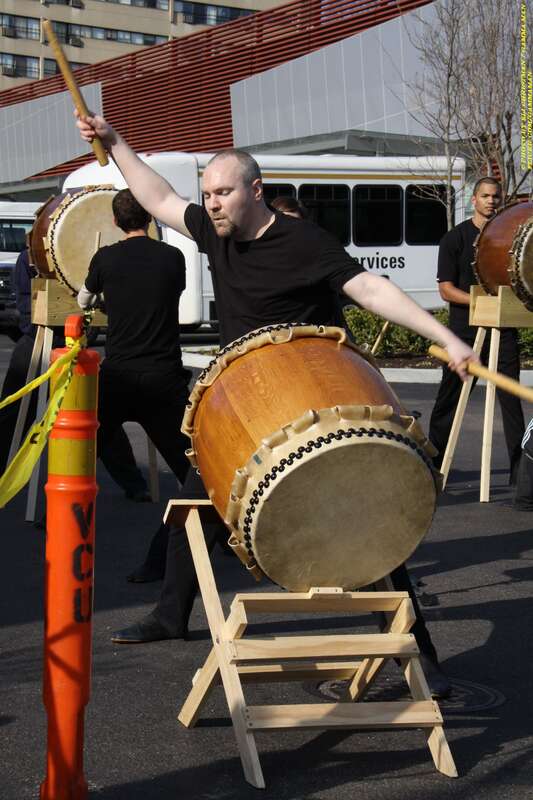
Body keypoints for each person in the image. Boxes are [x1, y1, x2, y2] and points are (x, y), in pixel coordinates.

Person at [75, 112, 477, 697]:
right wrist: (116, 143)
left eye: (224, 193)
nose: (211, 204)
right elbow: (156, 195)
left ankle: (419, 656)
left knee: (363, 525)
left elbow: (367, 287)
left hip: (307, 402)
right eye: (207, 194)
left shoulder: (303, 241)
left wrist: (445, 336)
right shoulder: (216, 233)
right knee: (195, 503)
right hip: (240, 406)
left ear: (254, 190)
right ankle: (170, 615)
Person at [0, 248, 148, 504]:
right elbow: (27, 310)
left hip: (73, 341)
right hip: (38, 340)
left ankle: (133, 482)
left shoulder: (80, 253)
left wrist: (84, 328)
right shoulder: (31, 257)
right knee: (12, 415)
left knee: (99, 415)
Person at [77, 189, 192, 514]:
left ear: (115, 221)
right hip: (164, 377)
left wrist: (105, 298)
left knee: (86, 451)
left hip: (119, 376)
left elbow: (83, 300)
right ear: (150, 216)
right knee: (189, 461)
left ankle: (61, 512)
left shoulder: (106, 257)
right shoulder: (173, 257)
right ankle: (218, 528)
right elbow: (173, 290)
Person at [428, 177, 525, 480]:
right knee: (451, 398)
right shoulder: (454, 239)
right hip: (463, 332)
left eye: (496, 196)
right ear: (474, 200)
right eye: (485, 196)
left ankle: (520, 472)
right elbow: (446, 290)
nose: (491, 201)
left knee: (510, 399)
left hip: (502, 328)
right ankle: (434, 464)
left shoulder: (508, 239)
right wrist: (479, 301)